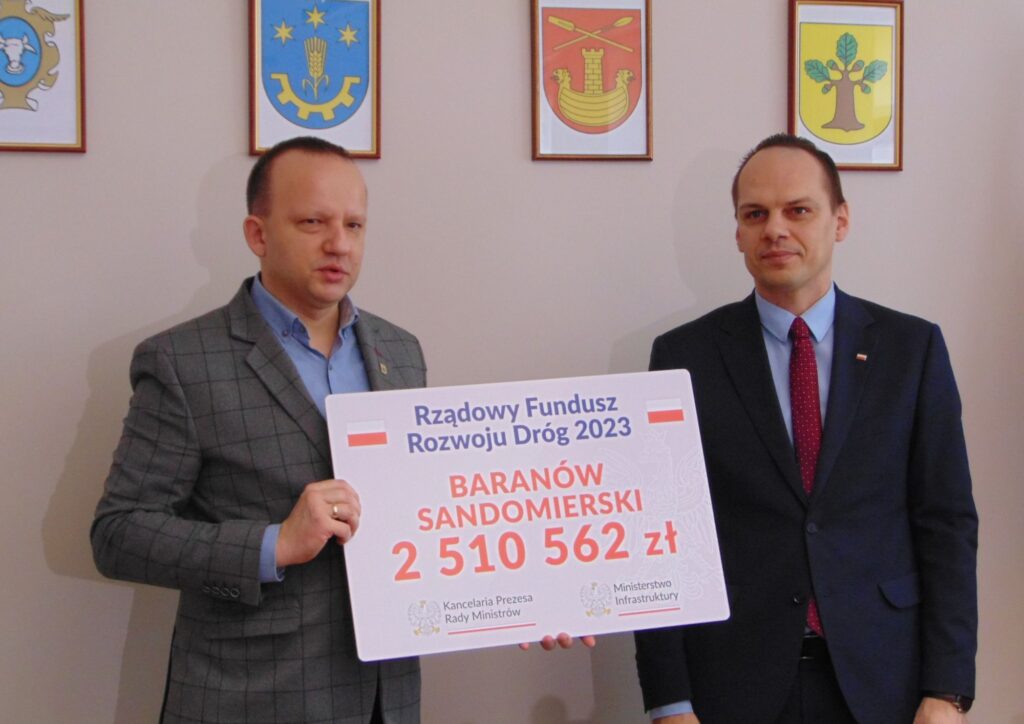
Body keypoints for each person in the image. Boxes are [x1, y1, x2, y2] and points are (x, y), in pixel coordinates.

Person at [634, 134, 977, 724]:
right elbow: (660, 534)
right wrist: (670, 701)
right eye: (755, 214)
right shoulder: (683, 356)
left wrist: (946, 691)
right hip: (731, 682)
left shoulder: (912, 349)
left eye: (798, 210)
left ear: (840, 220)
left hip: (886, 682)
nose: (775, 229)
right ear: (737, 232)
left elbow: (946, 523)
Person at [91, 136, 426, 724]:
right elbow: (118, 534)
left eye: (354, 225)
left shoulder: (401, 351)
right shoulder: (181, 362)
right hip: (249, 699)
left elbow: (427, 513)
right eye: (313, 222)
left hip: (386, 697)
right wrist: (275, 545)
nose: (339, 244)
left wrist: (540, 595)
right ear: (258, 234)